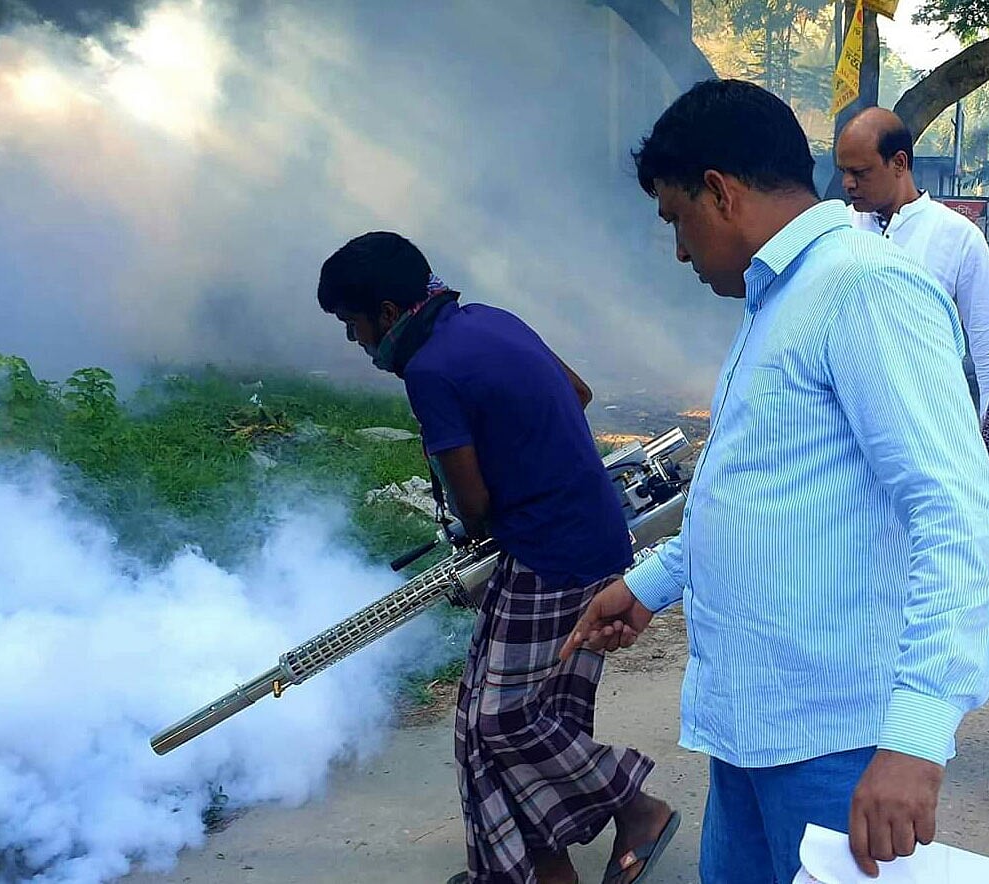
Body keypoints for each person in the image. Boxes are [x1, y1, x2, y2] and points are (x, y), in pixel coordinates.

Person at [560, 80, 989, 884]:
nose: (679, 252)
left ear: (718, 192)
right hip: (756, 727)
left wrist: (914, 739)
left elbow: (956, 511)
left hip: (839, 742)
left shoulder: (862, 287)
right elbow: (760, 489)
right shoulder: (780, 299)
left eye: (675, 220)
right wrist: (650, 582)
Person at [317, 232, 679, 884]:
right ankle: (533, 870)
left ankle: (636, 807)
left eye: (353, 323)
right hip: (582, 531)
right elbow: (577, 394)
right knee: (482, 722)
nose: (355, 342)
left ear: (390, 313)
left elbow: (475, 503)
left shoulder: (428, 371)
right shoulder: (488, 320)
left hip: (554, 550)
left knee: (503, 720)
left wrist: (491, 500)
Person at [836, 106, 989, 419]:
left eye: (860, 173)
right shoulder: (838, 230)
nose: (848, 184)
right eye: (844, 173)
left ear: (899, 163)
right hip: (846, 423)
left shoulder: (959, 237)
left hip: (929, 420)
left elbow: (985, 341)